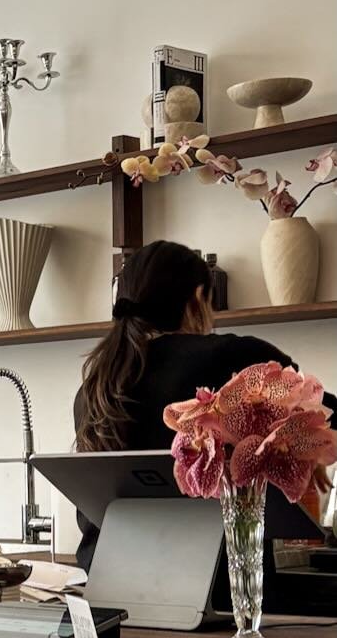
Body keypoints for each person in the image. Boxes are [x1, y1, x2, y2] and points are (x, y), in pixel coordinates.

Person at [72, 240, 335, 567]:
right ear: (199, 298)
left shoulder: (93, 390)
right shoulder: (231, 357)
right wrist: (312, 448)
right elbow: (327, 411)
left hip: (110, 577)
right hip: (221, 580)